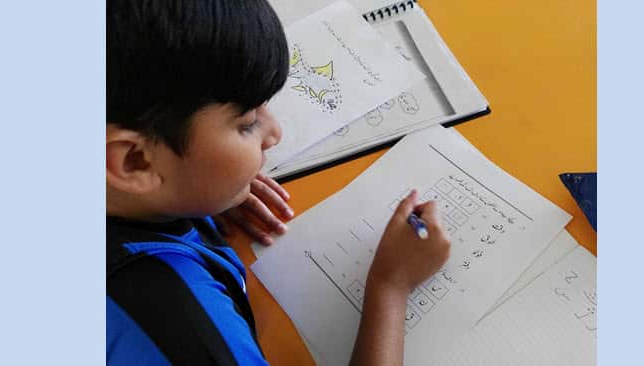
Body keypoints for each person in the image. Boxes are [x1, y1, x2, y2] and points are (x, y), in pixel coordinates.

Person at [106, 1, 451, 365]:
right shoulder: (177, 320)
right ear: (135, 161)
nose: (274, 133)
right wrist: (391, 287)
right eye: (247, 123)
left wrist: (196, 185)